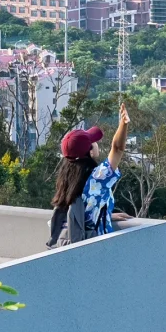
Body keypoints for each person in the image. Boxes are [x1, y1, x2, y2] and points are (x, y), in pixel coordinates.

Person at [46, 104, 132, 247]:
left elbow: (79, 213)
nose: (96, 143)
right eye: (93, 141)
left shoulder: (66, 178)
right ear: (90, 152)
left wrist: (106, 216)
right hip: (95, 249)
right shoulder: (96, 179)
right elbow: (117, 149)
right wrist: (123, 124)